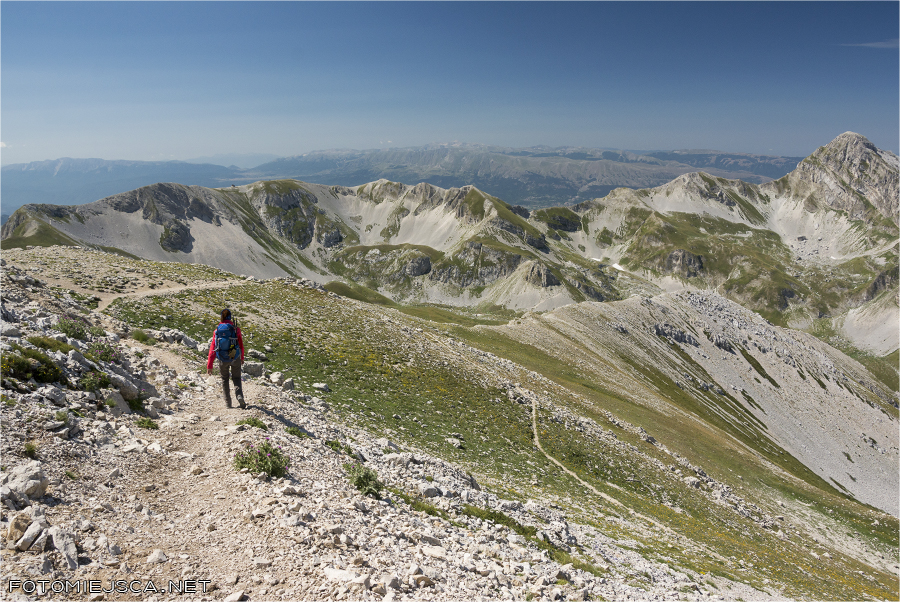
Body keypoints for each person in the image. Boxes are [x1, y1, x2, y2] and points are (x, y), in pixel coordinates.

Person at [207, 308, 246, 409]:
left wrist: (210, 365)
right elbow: (240, 345)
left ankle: (228, 403)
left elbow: (213, 348)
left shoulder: (217, 331)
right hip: (234, 355)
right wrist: (241, 357)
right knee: (236, 378)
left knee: (225, 379)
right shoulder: (236, 329)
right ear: (230, 317)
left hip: (222, 357)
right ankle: (239, 396)